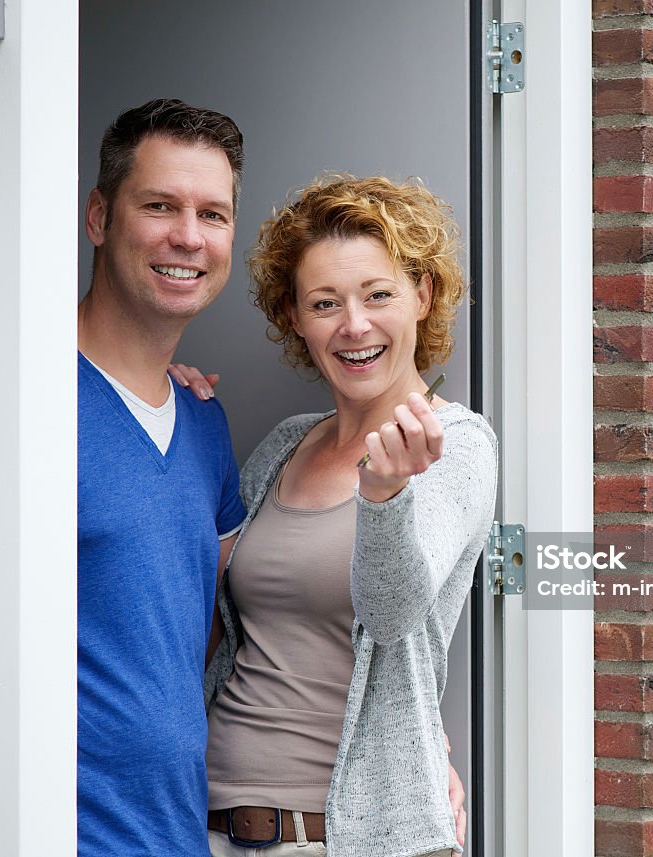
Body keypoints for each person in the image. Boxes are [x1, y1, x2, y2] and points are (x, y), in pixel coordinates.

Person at [201, 176, 497, 857]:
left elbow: (393, 616)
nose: (354, 325)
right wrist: (167, 392)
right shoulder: (283, 444)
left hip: (346, 841)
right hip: (207, 827)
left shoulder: (456, 446)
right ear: (296, 318)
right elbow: (210, 605)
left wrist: (386, 494)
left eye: (378, 294)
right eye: (325, 303)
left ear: (423, 294)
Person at [75, 98, 247, 856]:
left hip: (175, 836)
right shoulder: (7, 401)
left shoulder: (206, 424)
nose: (188, 235)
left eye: (213, 213)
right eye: (160, 206)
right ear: (99, 217)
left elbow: (219, 630)